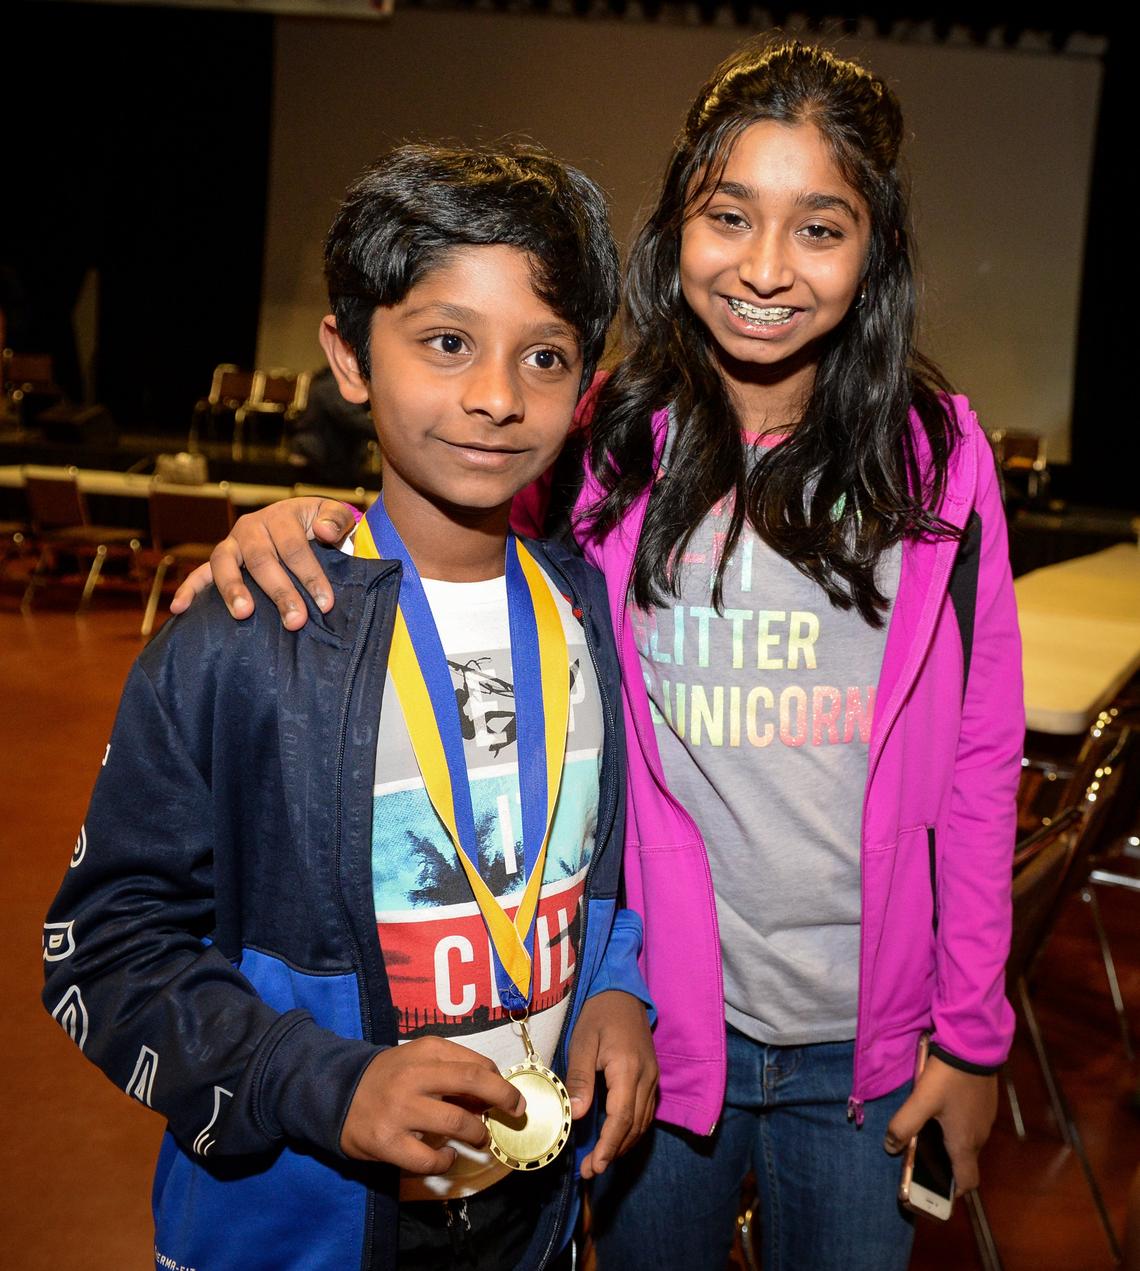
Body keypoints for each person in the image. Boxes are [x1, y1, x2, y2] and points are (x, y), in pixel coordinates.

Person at [174, 38, 1023, 1271]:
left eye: (820, 228)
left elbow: (981, 760)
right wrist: (311, 526)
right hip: (648, 1026)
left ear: (876, 250)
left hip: (868, 1049)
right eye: (729, 216)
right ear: (677, 222)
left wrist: (972, 1039)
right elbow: (448, 519)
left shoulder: (940, 457)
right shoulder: (610, 433)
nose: (767, 268)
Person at [43, 143, 658, 1271]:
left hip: (532, 1218)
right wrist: (322, 1081)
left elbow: (603, 866)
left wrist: (617, 989)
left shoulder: (590, 614)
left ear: (587, 384)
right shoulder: (245, 632)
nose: (494, 395)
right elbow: (102, 949)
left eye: (546, 355)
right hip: (298, 1224)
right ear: (348, 354)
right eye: (446, 341)